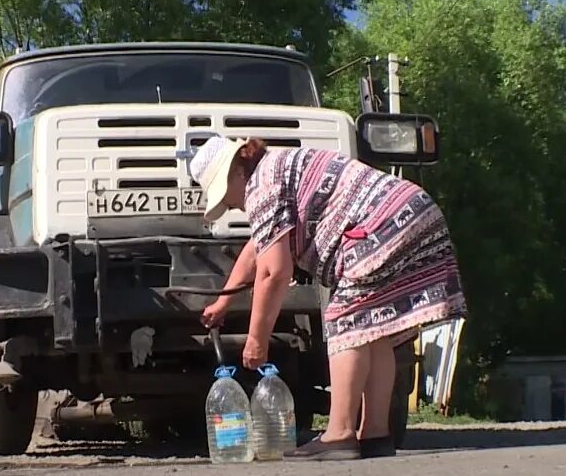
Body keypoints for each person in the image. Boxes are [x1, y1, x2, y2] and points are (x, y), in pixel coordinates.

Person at [189, 135, 467, 461]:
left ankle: (340, 433)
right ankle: (375, 433)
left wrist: (256, 340)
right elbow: (256, 250)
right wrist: (224, 302)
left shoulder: (261, 185)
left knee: (342, 316)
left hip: (383, 223)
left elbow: (273, 272)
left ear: (237, 172)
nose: (232, 206)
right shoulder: (274, 170)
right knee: (373, 328)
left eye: (225, 196)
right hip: (411, 210)